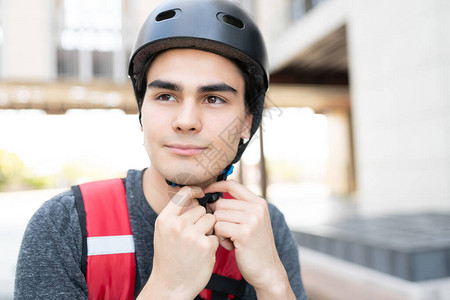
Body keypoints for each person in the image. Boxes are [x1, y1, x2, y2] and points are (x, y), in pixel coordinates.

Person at [15, 0, 307, 299]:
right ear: (142, 113)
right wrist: (168, 289)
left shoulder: (263, 225)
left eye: (214, 98)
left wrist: (273, 283)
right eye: (166, 96)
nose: (186, 121)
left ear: (247, 122)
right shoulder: (65, 225)